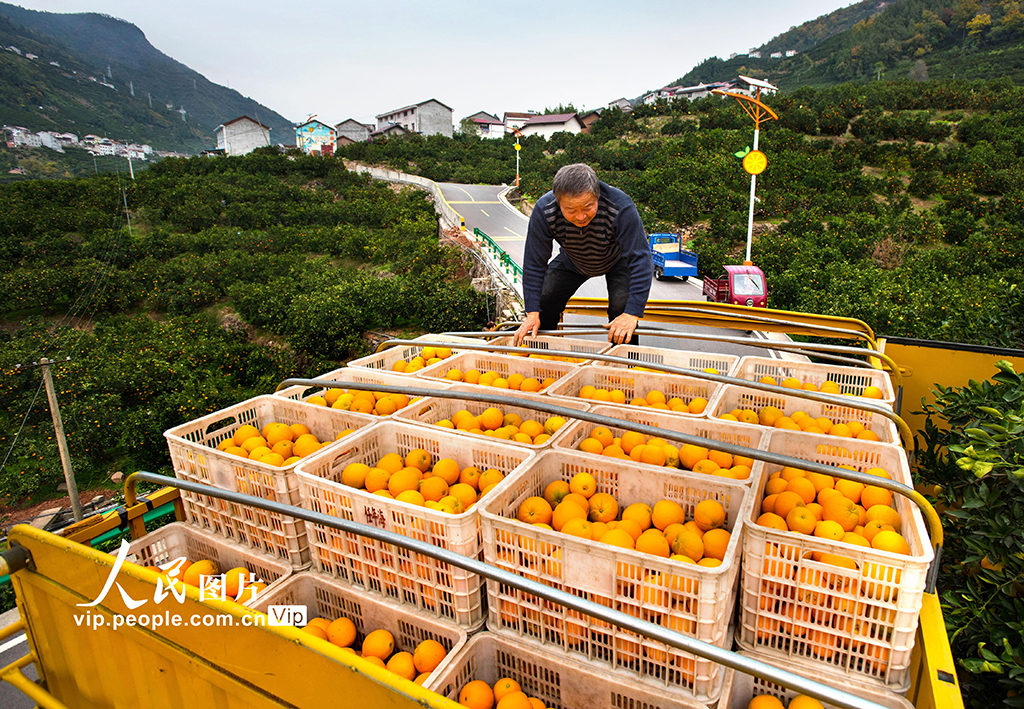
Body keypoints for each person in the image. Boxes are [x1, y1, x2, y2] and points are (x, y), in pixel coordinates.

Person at [514, 163, 653, 346]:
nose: (580, 217)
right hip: (573, 260)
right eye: (571, 210)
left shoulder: (620, 206)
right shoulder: (544, 210)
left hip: (617, 259)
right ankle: (541, 348)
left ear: (597, 195)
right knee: (543, 299)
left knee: (621, 308)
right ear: (558, 201)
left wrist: (632, 313)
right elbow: (534, 263)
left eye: (588, 207)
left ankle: (625, 359)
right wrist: (532, 313)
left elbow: (641, 260)